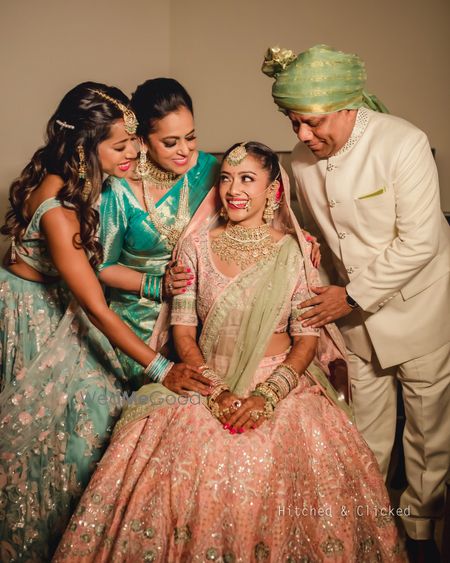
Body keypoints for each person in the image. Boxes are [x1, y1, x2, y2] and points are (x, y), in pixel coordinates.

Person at [54, 142, 404, 562]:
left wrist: (268, 395)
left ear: (273, 189)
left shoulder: (295, 252)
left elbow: (306, 338)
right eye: (225, 178)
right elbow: (183, 332)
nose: (233, 189)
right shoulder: (195, 247)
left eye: (247, 179)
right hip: (206, 377)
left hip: (281, 384)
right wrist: (216, 391)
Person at [0, 82, 205, 562]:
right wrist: (162, 369)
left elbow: (93, 274)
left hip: (58, 303)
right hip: (31, 313)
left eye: (135, 139)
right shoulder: (59, 210)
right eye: (120, 145)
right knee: (78, 427)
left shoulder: (83, 181)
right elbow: (95, 304)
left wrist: (158, 286)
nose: (134, 152)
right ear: (84, 148)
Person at [262, 44, 450, 559]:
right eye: (292, 122)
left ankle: (419, 528)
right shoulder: (301, 161)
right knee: (362, 429)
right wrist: (318, 295)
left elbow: (421, 242)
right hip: (352, 319)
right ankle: (369, 529)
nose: (301, 136)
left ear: (348, 106)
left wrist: (351, 295)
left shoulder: (404, 142)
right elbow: (316, 242)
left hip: (418, 308)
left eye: (310, 122)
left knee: (428, 432)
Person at [98, 78, 219, 387]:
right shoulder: (120, 188)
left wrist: (300, 241)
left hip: (197, 320)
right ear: (142, 140)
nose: (185, 150)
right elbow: (103, 267)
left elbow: (247, 212)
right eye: (171, 142)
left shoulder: (207, 169)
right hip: (136, 326)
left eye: (190, 138)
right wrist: (157, 285)